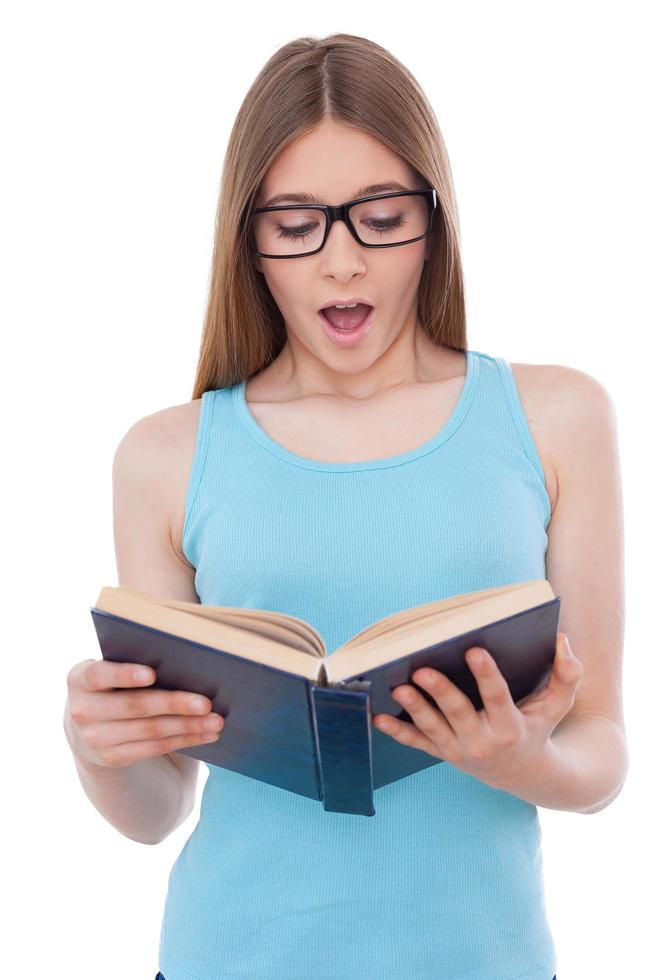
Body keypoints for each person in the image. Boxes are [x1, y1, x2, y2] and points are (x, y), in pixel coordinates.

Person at [63, 32, 627, 980]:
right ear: (250, 241)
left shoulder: (558, 416)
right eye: (296, 226)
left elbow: (602, 752)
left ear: (434, 219)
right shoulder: (165, 456)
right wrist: (98, 748)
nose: (342, 263)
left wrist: (517, 759)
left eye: (380, 215)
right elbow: (159, 812)